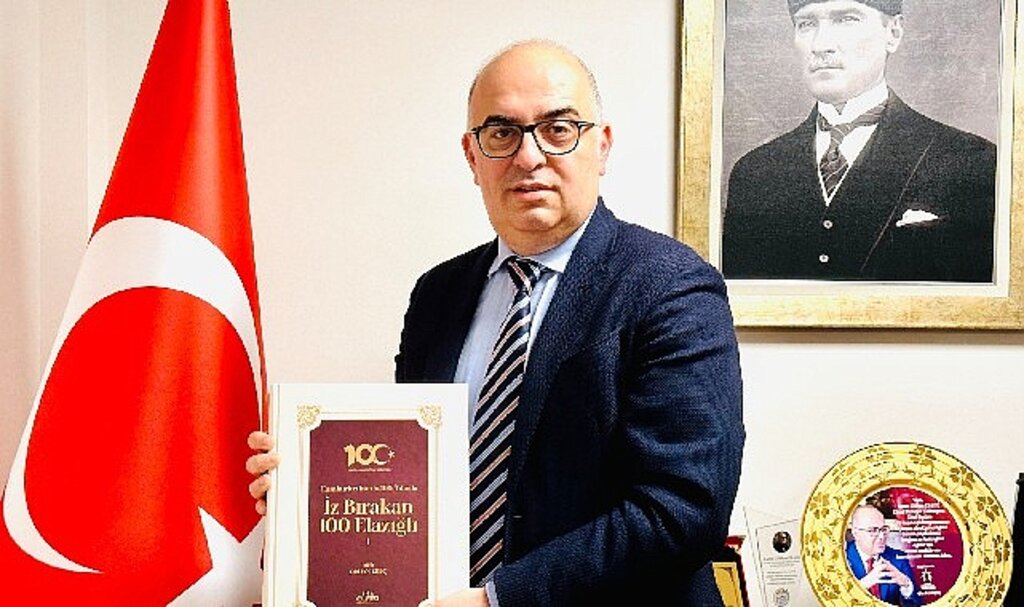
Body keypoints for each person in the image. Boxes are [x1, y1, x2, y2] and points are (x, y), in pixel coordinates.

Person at [248, 39, 744, 606]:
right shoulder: (437, 296)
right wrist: (311, 486)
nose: (529, 156)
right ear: (472, 155)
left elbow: (684, 511)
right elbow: (408, 480)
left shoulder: (672, 287)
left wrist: (499, 600)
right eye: (502, 132)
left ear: (602, 145)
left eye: (558, 129)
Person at [722, 0, 996, 281]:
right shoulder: (754, 173)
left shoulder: (970, 162)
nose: (820, 44)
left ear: (893, 33)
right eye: (806, 24)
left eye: (846, 19)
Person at [845, 505, 922, 606]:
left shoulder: (898, 558)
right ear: (855, 533)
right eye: (873, 530)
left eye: (883, 529)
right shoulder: (841, 557)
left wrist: (906, 585)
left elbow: (918, 603)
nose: (882, 536)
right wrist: (861, 586)